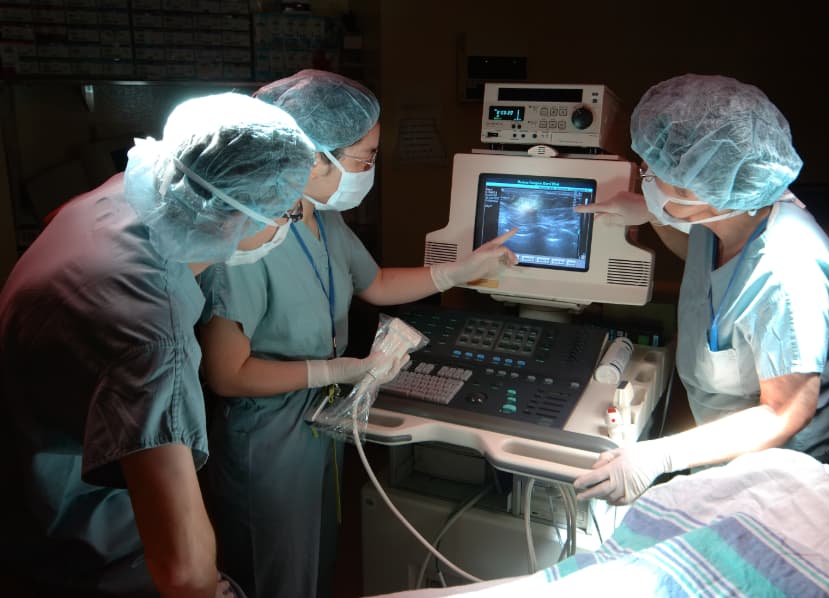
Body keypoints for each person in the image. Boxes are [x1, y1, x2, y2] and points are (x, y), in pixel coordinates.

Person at [195, 69, 517, 598]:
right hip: (268, 433)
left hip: (319, 419)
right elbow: (227, 375)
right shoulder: (249, 239)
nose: (370, 168)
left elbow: (376, 283)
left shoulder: (320, 216)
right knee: (276, 571)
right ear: (311, 155)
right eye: (363, 156)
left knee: (314, 558)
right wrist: (337, 369)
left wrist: (456, 271)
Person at [0, 92, 316, 597]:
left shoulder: (121, 194)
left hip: (22, 479)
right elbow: (185, 574)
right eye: (287, 213)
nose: (287, 223)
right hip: (75, 551)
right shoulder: (152, 337)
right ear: (237, 214)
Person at [572, 74, 829, 505]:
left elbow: (784, 410)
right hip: (722, 462)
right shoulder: (727, 218)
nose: (646, 174)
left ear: (702, 186)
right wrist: (654, 214)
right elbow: (701, 258)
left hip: (779, 483)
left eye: (655, 169)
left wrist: (660, 456)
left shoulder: (787, 268)